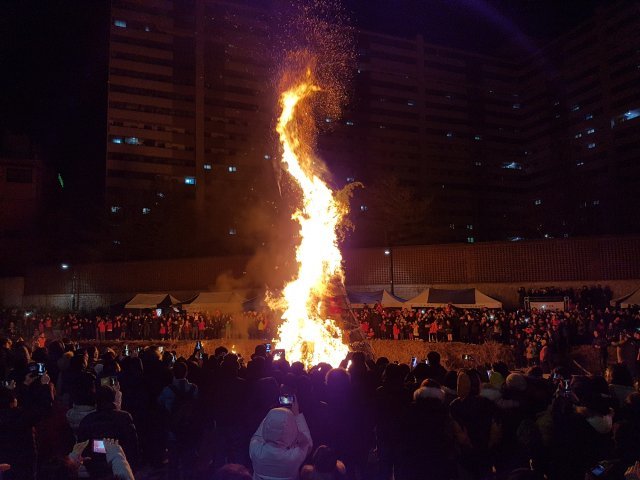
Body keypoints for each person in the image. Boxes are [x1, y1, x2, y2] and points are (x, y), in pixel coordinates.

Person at [250, 398, 312, 480]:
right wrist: (297, 414)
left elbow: (260, 432)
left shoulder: (255, 449)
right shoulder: (294, 457)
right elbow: (307, 443)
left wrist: (273, 415)